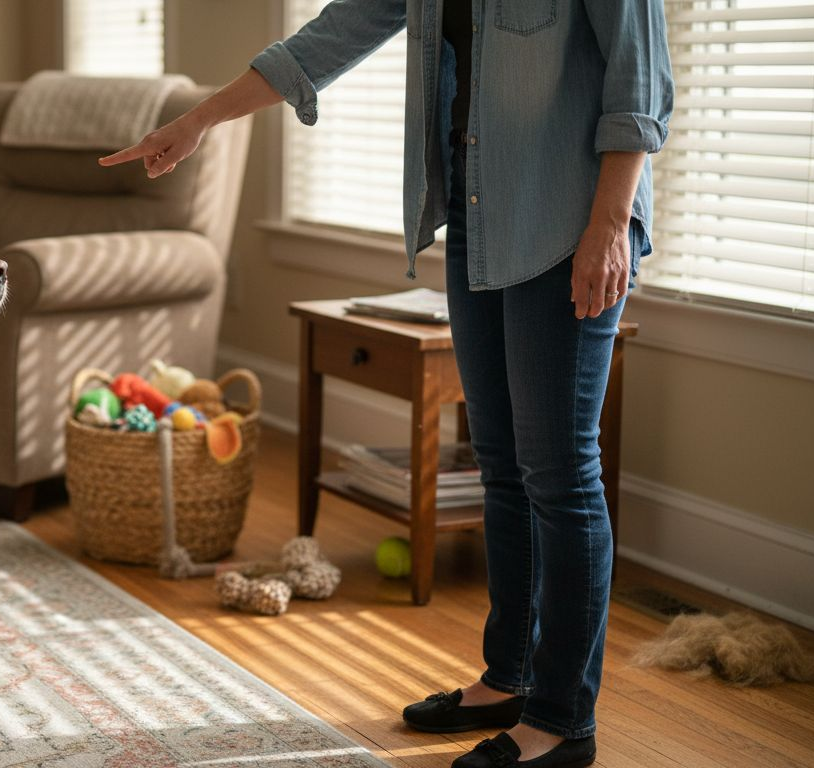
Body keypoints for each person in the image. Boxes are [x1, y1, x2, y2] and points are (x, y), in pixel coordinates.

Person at [100, 1, 673, 766]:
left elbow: (640, 85)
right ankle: (508, 680)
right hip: (479, 214)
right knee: (501, 468)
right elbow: (327, 39)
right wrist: (200, 119)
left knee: (560, 476)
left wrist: (609, 226)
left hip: (572, 221)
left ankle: (562, 721)